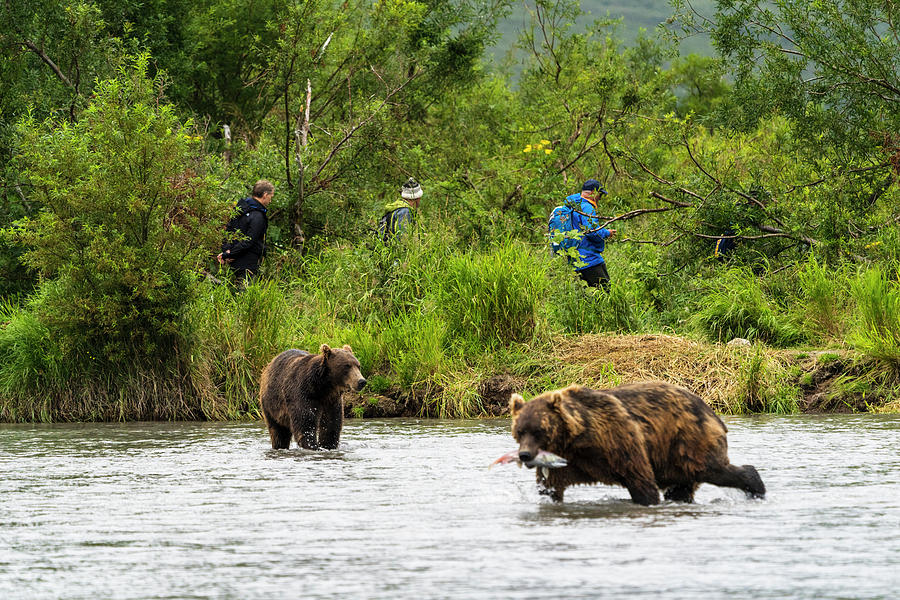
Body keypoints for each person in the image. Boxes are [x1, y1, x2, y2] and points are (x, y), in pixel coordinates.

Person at [218, 179, 274, 283]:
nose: (270, 200)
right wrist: (229, 254)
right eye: (271, 197)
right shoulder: (258, 215)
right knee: (244, 293)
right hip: (247, 261)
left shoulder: (240, 209)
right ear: (265, 195)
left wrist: (227, 251)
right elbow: (249, 241)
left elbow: (228, 231)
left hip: (233, 258)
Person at [568, 179, 615, 290]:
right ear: (593, 192)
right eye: (600, 195)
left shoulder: (574, 206)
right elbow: (592, 232)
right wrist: (607, 233)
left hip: (575, 259)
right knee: (605, 293)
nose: (599, 198)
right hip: (589, 259)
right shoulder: (586, 207)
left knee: (586, 297)